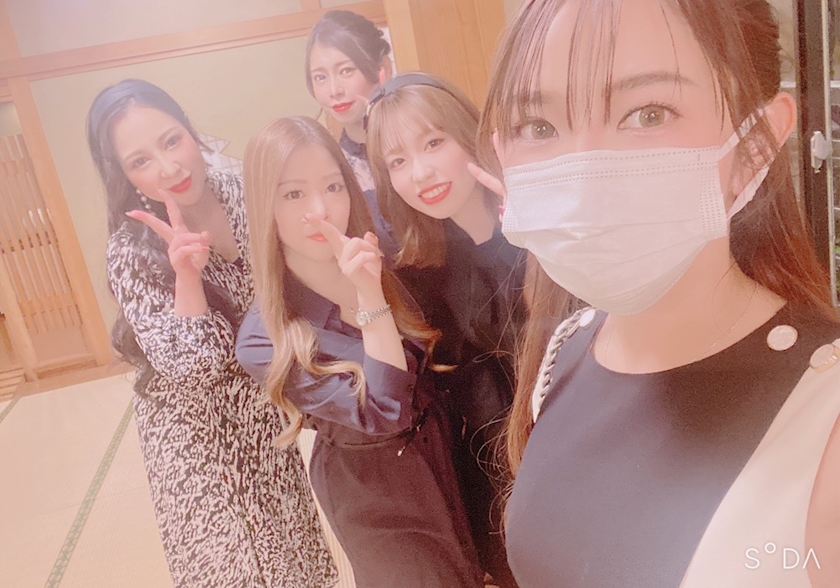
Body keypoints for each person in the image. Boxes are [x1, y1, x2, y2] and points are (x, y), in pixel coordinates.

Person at [475, 0, 840, 586]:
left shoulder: (825, 420)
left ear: (755, 143)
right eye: (539, 125)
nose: (586, 171)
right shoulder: (564, 351)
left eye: (648, 113)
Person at [86, 80, 336, 588]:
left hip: (265, 417)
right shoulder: (131, 250)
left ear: (189, 131)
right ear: (124, 175)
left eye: (171, 140)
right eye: (140, 161)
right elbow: (193, 368)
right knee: (236, 572)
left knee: (295, 563)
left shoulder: (243, 194)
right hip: (195, 439)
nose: (168, 167)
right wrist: (187, 276)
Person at [235, 116, 484, 588]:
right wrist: (371, 297)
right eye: (293, 194)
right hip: (377, 495)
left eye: (333, 187)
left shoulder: (377, 247)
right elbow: (385, 411)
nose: (321, 209)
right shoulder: (265, 338)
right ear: (264, 205)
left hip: (448, 454)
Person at [365, 72, 527, 588]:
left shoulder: (541, 230)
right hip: (493, 486)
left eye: (433, 143)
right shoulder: (416, 269)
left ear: (468, 133)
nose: (421, 173)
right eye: (397, 162)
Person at [305, 9, 393, 192]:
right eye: (320, 77)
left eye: (346, 71)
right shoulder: (330, 169)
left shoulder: (420, 142)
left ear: (383, 68)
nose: (334, 91)